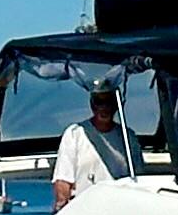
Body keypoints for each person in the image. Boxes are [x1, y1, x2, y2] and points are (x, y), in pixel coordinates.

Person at [53, 76, 139, 205]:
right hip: (85, 207)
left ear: (116, 105)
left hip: (120, 206)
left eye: (109, 102)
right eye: (99, 102)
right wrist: (62, 203)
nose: (104, 107)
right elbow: (63, 179)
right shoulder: (74, 134)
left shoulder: (128, 137)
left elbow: (139, 179)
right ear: (92, 105)